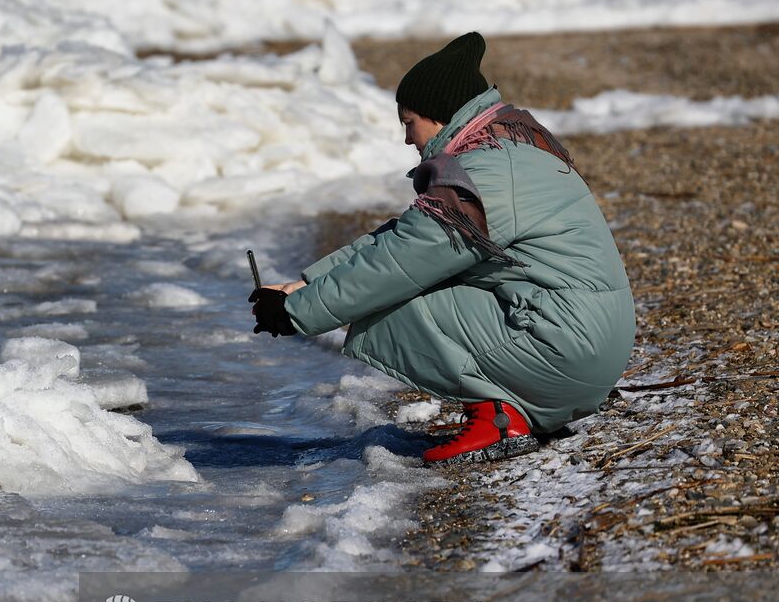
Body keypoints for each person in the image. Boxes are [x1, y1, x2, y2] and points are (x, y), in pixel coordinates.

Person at [249, 32, 634, 465]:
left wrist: (298, 313)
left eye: (408, 122)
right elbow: (405, 240)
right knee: (399, 282)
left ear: (437, 115)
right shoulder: (507, 146)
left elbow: (400, 264)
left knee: (391, 301)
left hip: (568, 350)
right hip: (582, 341)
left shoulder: (487, 172)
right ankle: (514, 403)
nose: (407, 138)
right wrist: (306, 284)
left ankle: (500, 418)